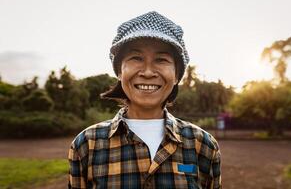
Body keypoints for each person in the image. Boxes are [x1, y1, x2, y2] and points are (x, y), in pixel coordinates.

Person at [68, 11, 221, 189]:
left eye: (161, 59)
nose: (148, 72)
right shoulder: (86, 144)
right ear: (119, 71)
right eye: (136, 58)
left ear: (177, 75)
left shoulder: (203, 145)